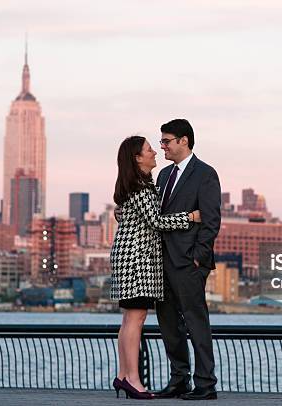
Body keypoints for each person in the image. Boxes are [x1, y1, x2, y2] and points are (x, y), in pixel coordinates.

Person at [110, 135, 201, 400]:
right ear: (137, 158)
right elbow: (157, 222)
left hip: (131, 258)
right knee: (135, 320)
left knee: (129, 320)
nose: (154, 152)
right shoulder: (139, 188)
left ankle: (124, 375)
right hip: (137, 261)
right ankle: (133, 380)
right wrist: (191, 217)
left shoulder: (135, 186)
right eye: (149, 150)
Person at [153, 119, 221, 400]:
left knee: (196, 321)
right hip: (162, 262)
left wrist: (198, 258)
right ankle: (179, 379)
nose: (162, 146)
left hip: (189, 263)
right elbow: (157, 219)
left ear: (184, 141)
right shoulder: (163, 176)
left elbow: (211, 220)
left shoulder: (205, 174)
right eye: (161, 141)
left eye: (166, 141)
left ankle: (205, 383)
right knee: (168, 323)